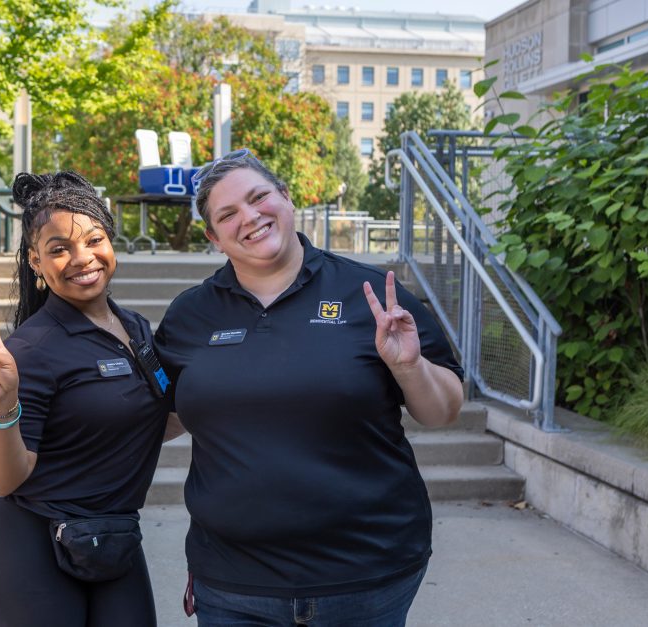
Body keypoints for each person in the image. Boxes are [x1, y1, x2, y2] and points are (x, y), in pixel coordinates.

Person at [154, 149, 464, 627]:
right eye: (228, 214)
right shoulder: (190, 315)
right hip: (234, 584)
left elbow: (443, 411)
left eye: (259, 197)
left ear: (286, 197)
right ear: (213, 237)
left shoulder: (371, 295)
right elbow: (164, 416)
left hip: (366, 577)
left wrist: (409, 367)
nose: (251, 217)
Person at [0, 171, 176, 627]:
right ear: (36, 262)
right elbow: (3, 479)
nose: (82, 258)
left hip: (109, 533)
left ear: (111, 241)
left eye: (93, 239)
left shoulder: (134, 327)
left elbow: (154, 418)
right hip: (28, 546)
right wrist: (2, 404)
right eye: (59, 249)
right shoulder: (34, 349)